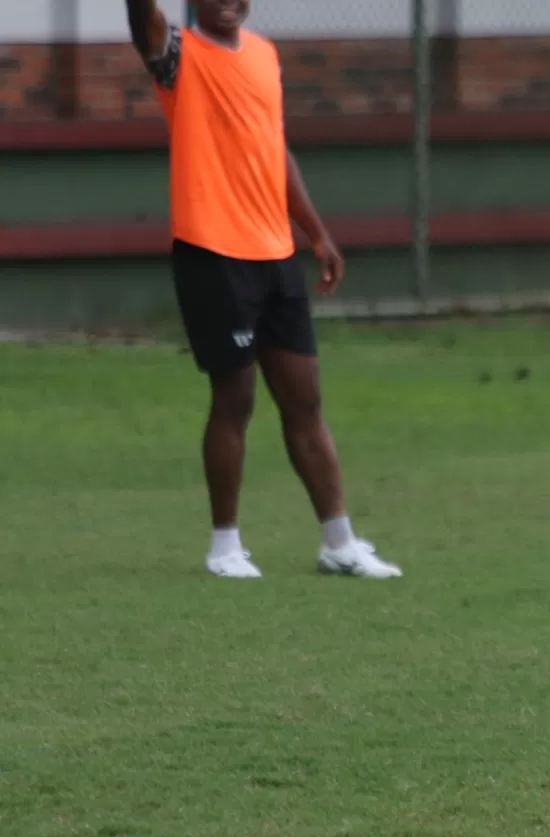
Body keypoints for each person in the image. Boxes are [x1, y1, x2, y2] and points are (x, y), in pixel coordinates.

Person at [125, 0, 400, 581]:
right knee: (236, 399)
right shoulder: (176, 55)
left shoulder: (265, 56)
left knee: (305, 400)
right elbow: (141, 17)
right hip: (213, 253)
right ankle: (225, 546)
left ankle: (339, 543)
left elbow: (274, 149)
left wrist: (316, 233)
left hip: (276, 255)